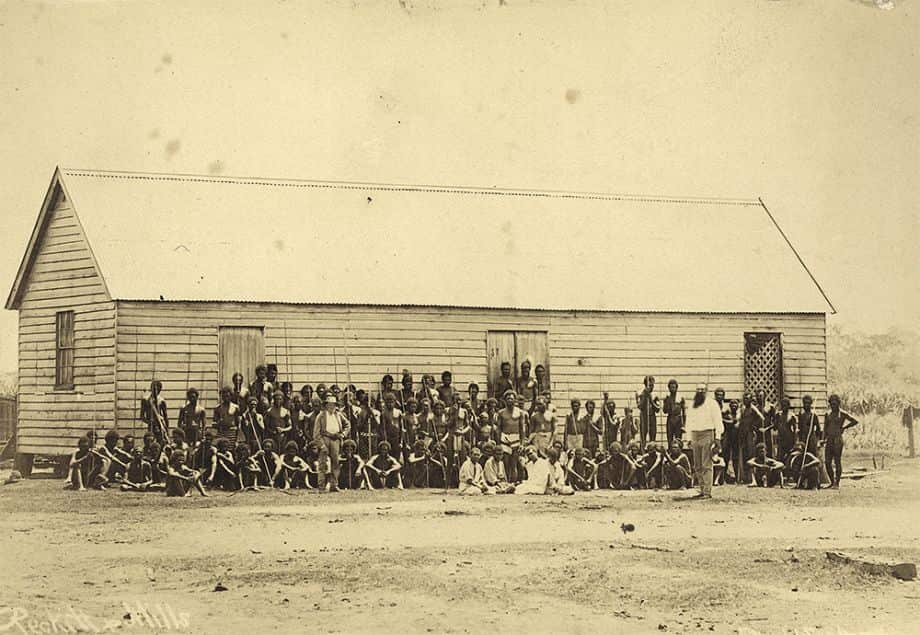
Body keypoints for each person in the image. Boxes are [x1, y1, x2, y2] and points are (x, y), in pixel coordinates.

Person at [683, 384, 721, 498]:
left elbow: (718, 421)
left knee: (706, 464)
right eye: (698, 390)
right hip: (695, 435)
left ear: (706, 391)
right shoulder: (692, 404)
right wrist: (688, 438)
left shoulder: (712, 404)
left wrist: (718, 437)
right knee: (697, 465)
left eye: (702, 390)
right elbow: (688, 422)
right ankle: (702, 489)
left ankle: (707, 492)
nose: (700, 392)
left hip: (707, 434)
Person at [314, 394, 350, 491]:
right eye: (329, 405)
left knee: (336, 463)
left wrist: (342, 434)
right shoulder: (320, 416)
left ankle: (334, 485)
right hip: (325, 438)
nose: (331, 407)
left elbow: (347, 424)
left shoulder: (338, 415)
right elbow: (316, 433)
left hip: (336, 439)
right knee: (322, 464)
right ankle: (321, 486)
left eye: (333, 405)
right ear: (326, 405)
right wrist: (321, 445)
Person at [823, 394, 859, 488]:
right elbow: (825, 428)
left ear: (838, 404)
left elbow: (855, 421)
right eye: (831, 404)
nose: (833, 406)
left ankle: (837, 483)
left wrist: (844, 427)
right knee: (827, 462)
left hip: (838, 439)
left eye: (835, 404)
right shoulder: (828, 414)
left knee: (837, 461)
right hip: (829, 439)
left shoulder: (842, 414)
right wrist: (823, 439)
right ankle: (832, 482)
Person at [737, 393, 761, 484]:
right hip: (743, 434)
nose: (746, 400)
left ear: (751, 400)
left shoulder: (753, 408)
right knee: (744, 454)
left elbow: (760, 418)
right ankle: (744, 477)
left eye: (747, 399)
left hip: (750, 434)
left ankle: (752, 477)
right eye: (744, 399)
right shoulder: (742, 409)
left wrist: (754, 426)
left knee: (751, 454)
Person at [140, 379, 169, 446]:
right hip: (151, 426)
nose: (156, 391)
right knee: (150, 442)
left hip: (160, 425)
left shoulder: (161, 401)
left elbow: (166, 417)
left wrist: (166, 430)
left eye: (158, 390)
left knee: (161, 442)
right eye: (154, 389)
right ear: (151, 388)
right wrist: (149, 422)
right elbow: (142, 416)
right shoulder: (146, 400)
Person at [636, 376, 660, 446]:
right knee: (643, 437)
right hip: (644, 417)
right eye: (650, 385)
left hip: (652, 417)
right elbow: (639, 406)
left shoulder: (655, 396)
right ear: (645, 385)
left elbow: (657, 409)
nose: (652, 387)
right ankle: (642, 451)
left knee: (652, 436)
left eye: (653, 385)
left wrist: (651, 400)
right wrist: (644, 396)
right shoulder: (640, 394)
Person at [663, 379, 686, 447]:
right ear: (669, 388)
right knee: (669, 438)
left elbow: (684, 412)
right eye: (671, 387)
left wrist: (684, 425)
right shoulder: (667, 398)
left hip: (678, 419)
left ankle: (678, 453)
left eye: (674, 387)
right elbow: (665, 411)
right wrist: (666, 402)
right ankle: (670, 453)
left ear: (676, 388)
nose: (672, 389)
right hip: (670, 419)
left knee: (678, 439)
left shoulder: (680, 398)